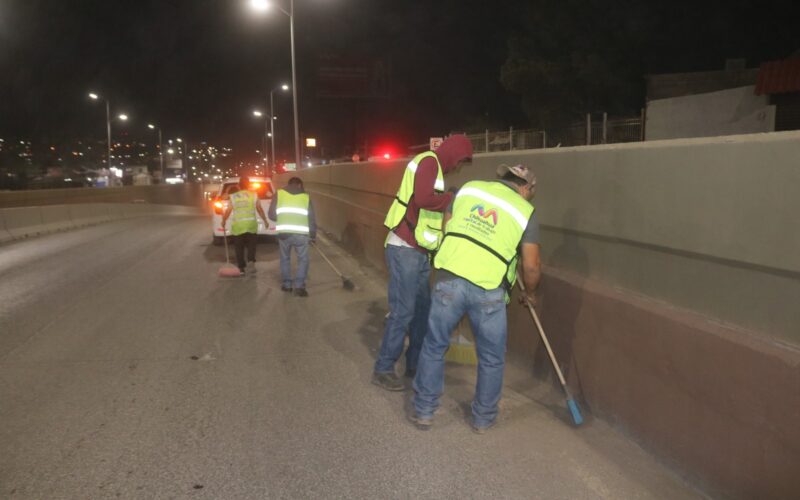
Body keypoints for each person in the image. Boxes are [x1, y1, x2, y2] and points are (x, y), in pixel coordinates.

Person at [412, 164, 542, 433]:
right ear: (526, 188)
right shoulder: (525, 212)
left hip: (449, 279)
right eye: (532, 191)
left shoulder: (468, 189)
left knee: (434, 345)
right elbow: (531, 266)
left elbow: (448, 227)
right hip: (488, 290)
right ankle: (482, 418)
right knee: (491, 357)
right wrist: (529, 293)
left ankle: (424, 410)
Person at [372, 134, 473, 391]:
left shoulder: (435, 168)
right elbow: (424, 199)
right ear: (453, 153)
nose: (458, 168)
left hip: (419, 251)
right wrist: (452, 199)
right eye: (460, 162)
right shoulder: (428, 162)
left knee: (422, 311)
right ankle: (383, 368)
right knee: (403, 311)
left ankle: (414, 364)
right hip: (404, 247)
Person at [268, 176, 317, 297]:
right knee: (303, 259)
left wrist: (284, 218)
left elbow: (271, 215)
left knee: (285, 258)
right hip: (301, 234)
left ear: (289, 184)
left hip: (284, 233)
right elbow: (311, 218)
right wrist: (313, 235)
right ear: (300, 185)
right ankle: (299, 286)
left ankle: (287, 285)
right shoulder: (306, 196)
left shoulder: (279, 194)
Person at [221, 176, 269, 276]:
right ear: (248, 185)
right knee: (252, 245)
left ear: (239, 186)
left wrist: (223, 220)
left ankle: (241, 268)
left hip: (238, 226)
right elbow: (259, 209)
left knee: (239, 247)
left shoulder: (234, 196)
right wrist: (265, 220)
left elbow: (228, 210)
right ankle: (251, 260)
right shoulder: (254, 195)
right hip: (251, 225)